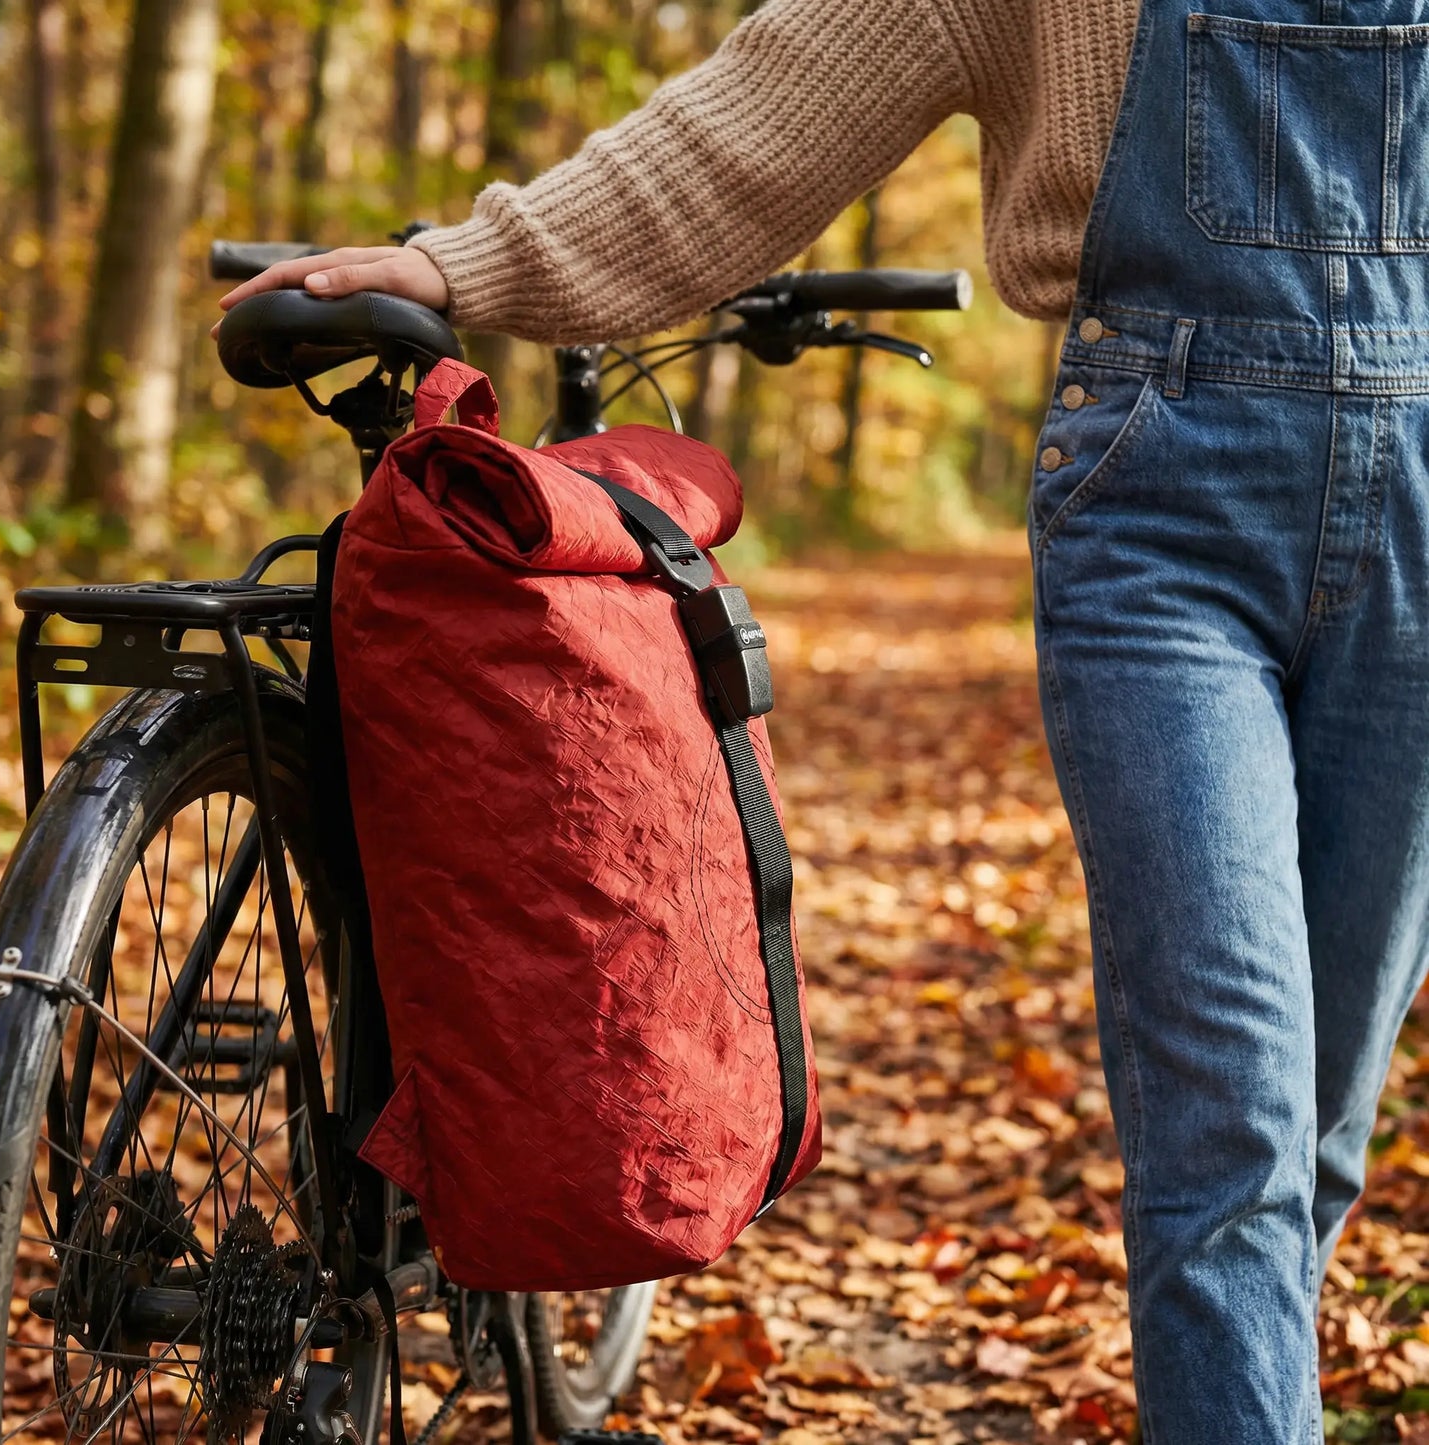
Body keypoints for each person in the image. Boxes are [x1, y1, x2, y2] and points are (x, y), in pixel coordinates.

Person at [221, 0, 1429, 1439]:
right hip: (1163, 519)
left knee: (1316, 1133)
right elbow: (757, 119)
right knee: (1228, 1123)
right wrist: (459, 262)